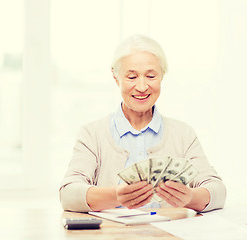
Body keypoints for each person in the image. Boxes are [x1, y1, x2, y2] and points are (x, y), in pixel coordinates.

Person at [59, 35, 226, 212]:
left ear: (162, 75)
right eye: (131, 77)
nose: (142, 87)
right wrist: (117, 196)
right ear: (116, 78)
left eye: (151, 76)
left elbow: (218, 191)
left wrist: (190, 197)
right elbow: (68, 194)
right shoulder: (92, 134)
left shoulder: (183, 134)